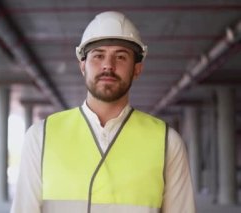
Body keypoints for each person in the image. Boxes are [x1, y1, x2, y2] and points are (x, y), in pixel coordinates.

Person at [11, 11, 196, 213]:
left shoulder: (167, 142)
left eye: (121, 56)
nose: (108, 65)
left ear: (137, 69)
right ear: (83, 65)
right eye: (98, 55)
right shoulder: (41, 137)